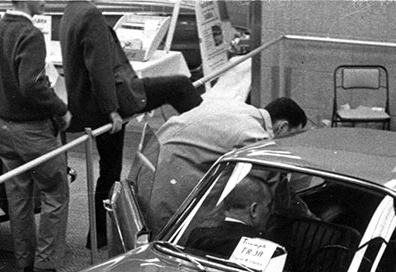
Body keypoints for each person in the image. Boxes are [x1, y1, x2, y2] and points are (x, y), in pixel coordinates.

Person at [59, 0, 203, 248]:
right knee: (179, 85)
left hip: (90, 105)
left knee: (109, 170)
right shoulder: (90, 14)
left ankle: (99, 234)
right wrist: (112, 110)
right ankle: (207, 126)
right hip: (108, 104)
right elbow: (99, 68)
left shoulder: (70, 11)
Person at [0, 0, 71, 272]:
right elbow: (32, 84)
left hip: (3, 129)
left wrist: (3, 102)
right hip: (34, 133)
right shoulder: (30, 35)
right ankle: (45, 266)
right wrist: (60, 109)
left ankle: (26, 264)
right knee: (56, 193)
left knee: (19, 200)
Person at [144, 97, 308, 236]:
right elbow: (274, 190)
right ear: (282, 127)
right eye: (293, 136)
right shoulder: (256, 137)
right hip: (169, 184)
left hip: (149, 164)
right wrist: (308, 217)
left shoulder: (238, 108)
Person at [184, 176, 274, 258]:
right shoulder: (262, 247)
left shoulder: (197, 234)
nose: (270, 212)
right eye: (268, 207)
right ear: (253, 209)